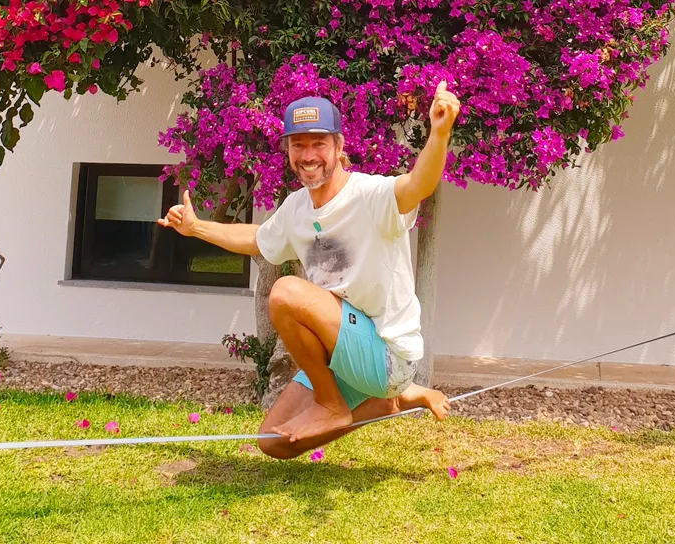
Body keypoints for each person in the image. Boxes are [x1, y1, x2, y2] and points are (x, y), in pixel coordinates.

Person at [158, 82, 461, 459]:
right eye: (298, 145)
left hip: (387, 354)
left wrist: (439, 134)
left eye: (319, 143)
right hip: (342, 350)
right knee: (273, 442)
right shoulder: (296, 208)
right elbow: (257, 238)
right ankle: (388, 403)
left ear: (339, 146)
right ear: (288, 151)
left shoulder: (371, 195)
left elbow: (418, 185)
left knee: (287, 292)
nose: (308, 155)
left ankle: (334, 403)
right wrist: (196, 227)